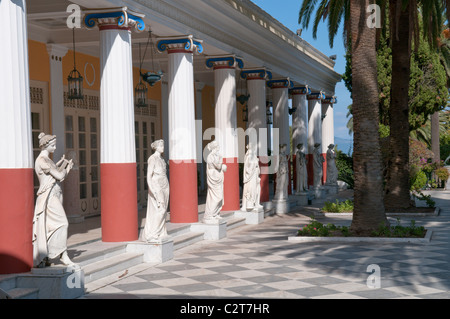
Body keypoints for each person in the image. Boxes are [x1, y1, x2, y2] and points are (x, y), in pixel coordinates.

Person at [33, 133, 76, 268]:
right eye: (53, 145)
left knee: (50, 226)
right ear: (46, 145)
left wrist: (60, 165)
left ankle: (47, 255)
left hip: (54, 194)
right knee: (62, 223)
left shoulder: (47, 160)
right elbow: (58, 175)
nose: (55, 147)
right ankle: (63, 255)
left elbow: (53, 174)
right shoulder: (42, 161)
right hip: (49, 196)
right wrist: (67, 168)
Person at [140, 140, 170, 242]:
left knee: (164, 209)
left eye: (163, 145)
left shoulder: (161, 159)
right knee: (160, 209)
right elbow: (149, 175)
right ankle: (153, 233)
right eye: (161, 146)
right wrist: (152, 189)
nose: (163, 147)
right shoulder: (152, 159)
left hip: (165, 185)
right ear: (156, 147)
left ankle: (161, 231)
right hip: (156, 185)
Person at [204, 141, 227, 223]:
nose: (219, 147)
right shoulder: (211, 156)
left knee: (217, 196)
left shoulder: (215, 156)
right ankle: (210, 215)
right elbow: (218, 166)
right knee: (217, 196)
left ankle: (216, 213)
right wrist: (222, 162)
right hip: (214, 177)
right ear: (214, 147)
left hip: (217, 176)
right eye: (217, 146)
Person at [241, 143, 263, 211]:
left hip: (255, 175)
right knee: (251, 189)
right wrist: (253, 168)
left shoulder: (253, 155)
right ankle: (249, 204)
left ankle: (256, 203)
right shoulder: (248, 156)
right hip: (251, 176)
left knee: (256, 189)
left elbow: (255, 165)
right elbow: (247, 168)